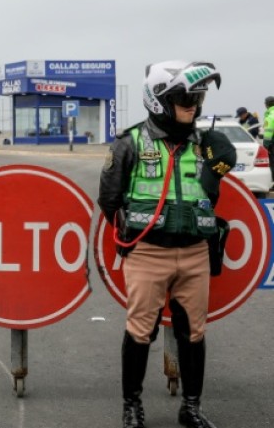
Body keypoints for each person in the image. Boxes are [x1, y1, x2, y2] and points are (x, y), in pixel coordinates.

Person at [98, 60, 236, 428]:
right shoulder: (129, 143)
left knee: (194, 332)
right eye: (185, 97)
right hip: (147, 254)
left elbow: (213, 191)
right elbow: (109, 199)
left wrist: (219, 167)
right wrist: (135, 237)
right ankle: (132, 406)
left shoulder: (205, 144)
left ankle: (191, 407)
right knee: (140, 330)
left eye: (198, 96)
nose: (194, 104)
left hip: (194, 254)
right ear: (159, 100)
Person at [264, 96, 274, 186]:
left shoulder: (270, 116)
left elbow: (268, 132)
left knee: (272, 163)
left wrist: (266, 145)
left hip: (272, 142)